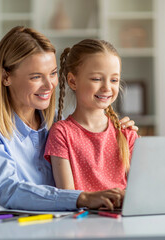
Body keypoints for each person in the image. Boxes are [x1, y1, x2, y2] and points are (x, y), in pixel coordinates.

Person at [0, 26, 138, 211]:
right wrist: (81, 198)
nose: (49, 85)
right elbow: (8, 191)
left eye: (52, 74)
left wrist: (117, 132)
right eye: (36, 77)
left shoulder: (56, 126)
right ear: (6, 77)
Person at [44, 39, 139, 202]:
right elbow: (66, 196)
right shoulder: (61, 133)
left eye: (114, 80)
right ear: (73, 81)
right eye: (96, 79)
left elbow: (141, 191)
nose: (107, 88)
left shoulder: (126, 133)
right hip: (81, 221)